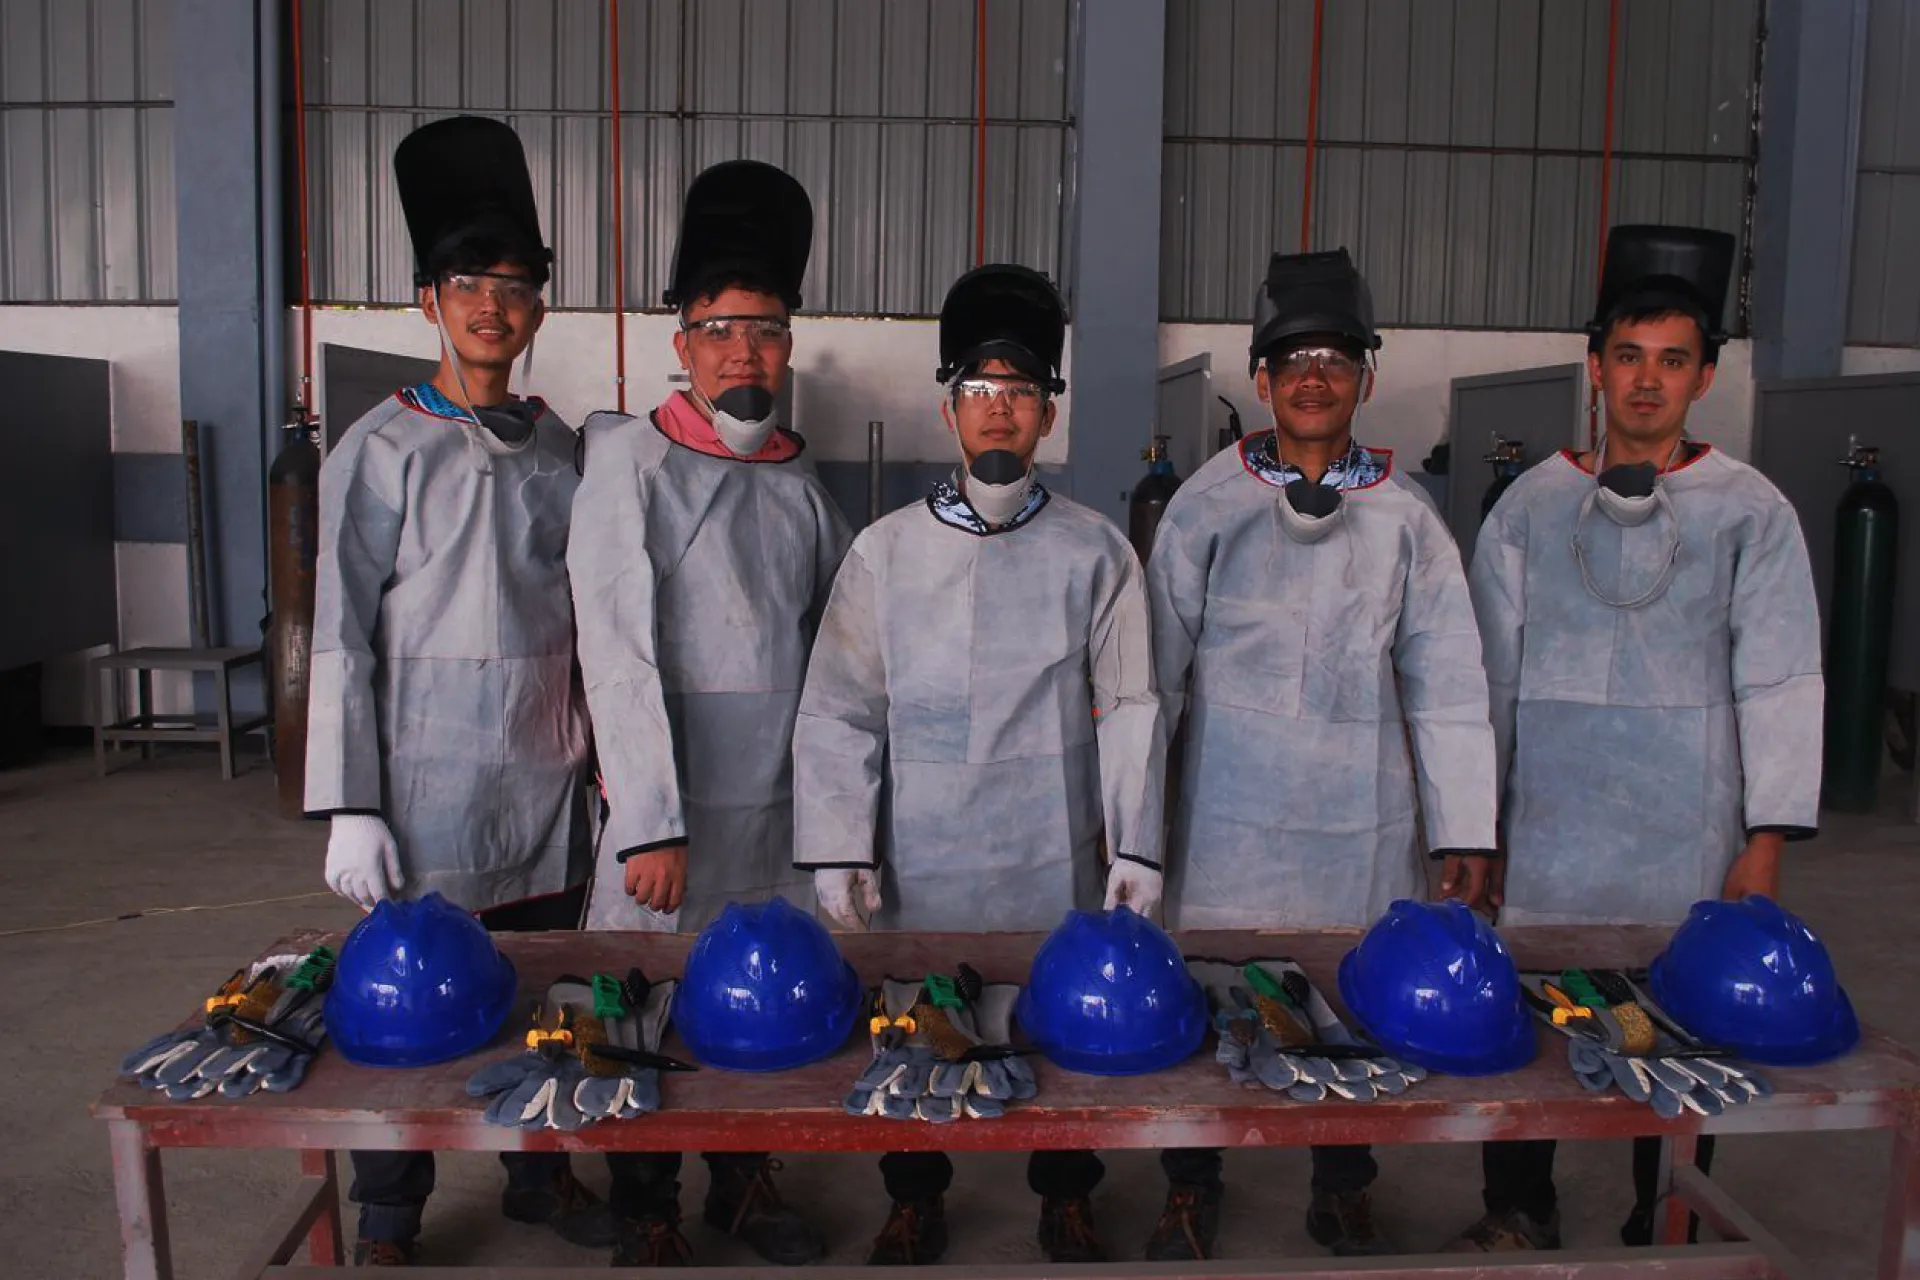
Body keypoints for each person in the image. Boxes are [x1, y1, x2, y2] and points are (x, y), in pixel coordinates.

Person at [1450, 225, 1824, 1253]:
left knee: (1692, 1024)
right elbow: (1486, 681)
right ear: (1596, 364)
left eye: (1671, 360)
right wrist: (1474, 825)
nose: (1647, 382)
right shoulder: (1529, 508)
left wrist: (1766, 837)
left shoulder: (1749, 513)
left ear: (1704, 375)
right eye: (1628, 356)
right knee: (1533, 1026)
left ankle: (1666, 1211)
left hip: (1687, 833)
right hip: (1552, 830)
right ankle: (1519, 1202)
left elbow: (1783, 679)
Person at [792, 263, 1165, 1265]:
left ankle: (1065, 1193)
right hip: (925, 858)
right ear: (949, 406)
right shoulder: (884, 551)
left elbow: (1131, 705)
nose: (1000, 413)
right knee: (917, 1021)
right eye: (981, 392)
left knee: (1064, 1019)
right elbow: (840, 706)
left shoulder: (1096, 553)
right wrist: (837, 846)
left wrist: (1137, 844)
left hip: (1051, 853)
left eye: (1022, 393)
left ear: (1050, 413)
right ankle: (916, 1195)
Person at [1146, 248, 1500, 1260]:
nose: (1313, 376)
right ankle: (1188, 1183)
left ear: (1366, 378)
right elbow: (1150, 684)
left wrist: (1464, 826)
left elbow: (1448, 683)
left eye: (1336, 358)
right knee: (1212, 1002)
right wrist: (1131, 828)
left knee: (1354, 1004)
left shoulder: (1406, 519)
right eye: (1292, 358)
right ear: (1260, 380)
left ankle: (1343, 1184)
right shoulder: (1205, 507)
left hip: (1361, 821)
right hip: (1225, 820)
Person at [304, 115, 602, 1267]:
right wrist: (351, 798)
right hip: (421, 792)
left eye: (517, 284)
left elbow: (598, 626)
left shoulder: (566, 452)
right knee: (406, 1009)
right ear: (430, 298)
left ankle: (539, 1176)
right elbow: (336, 635)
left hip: (543, 784)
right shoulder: (376, 453)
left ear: (538, 308)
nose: (494, 305)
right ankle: (390, 1212)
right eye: (470, 282)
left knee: (544, 996)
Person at [568, 160, 849, 1267]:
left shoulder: (802, 486)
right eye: (722, 328)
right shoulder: (627, 465)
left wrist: (835, 830)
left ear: (787, 348)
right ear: (682, 343)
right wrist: (646, 819)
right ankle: (648, 1201)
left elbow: (840, 673)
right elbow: (617, 650)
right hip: (670, 825)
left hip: (774, 821)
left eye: (767, 330)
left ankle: (743, 1183)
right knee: (642, 1007)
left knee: (757, 1009)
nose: (746, 351)